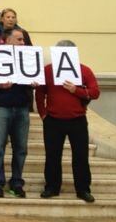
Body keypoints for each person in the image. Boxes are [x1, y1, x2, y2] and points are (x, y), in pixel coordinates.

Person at [35, 40, 100, 203]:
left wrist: (76, 90)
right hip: (53, 120)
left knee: (80, 156)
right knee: (52, 156)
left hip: (77, 120)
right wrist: (43, 114)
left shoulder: (84, 70)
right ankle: (51, 187)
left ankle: (83, 189)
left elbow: (95, 92)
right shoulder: (48, 70)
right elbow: (40, 92)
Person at [0, 27, 34, 198]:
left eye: (23, 40)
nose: (23, 43)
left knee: (21, 148)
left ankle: (16, 182)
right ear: (8, 41)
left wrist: (34, 83)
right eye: (20, 39)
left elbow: (32, 77)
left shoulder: (28, 58)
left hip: (21, 107)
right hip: (0, 106)